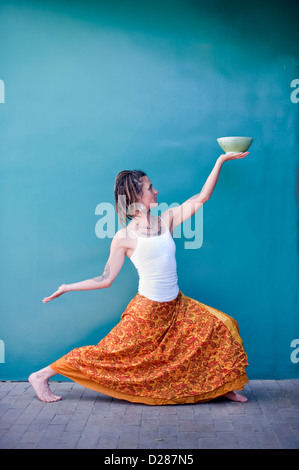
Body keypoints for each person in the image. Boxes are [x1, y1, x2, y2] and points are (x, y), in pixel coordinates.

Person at [29, 152, 250, 404]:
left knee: (222, 325)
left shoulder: (166, 220)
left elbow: (202, 197)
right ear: (136, 197)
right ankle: (41, 375)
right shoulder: (124, 237)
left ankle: (222, 385)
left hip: (176, 306)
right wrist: (67, 287)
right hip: (148, 311)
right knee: (106, 354)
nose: (156, 191)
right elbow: (105, 278)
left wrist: (220, 161)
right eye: (150, 188)